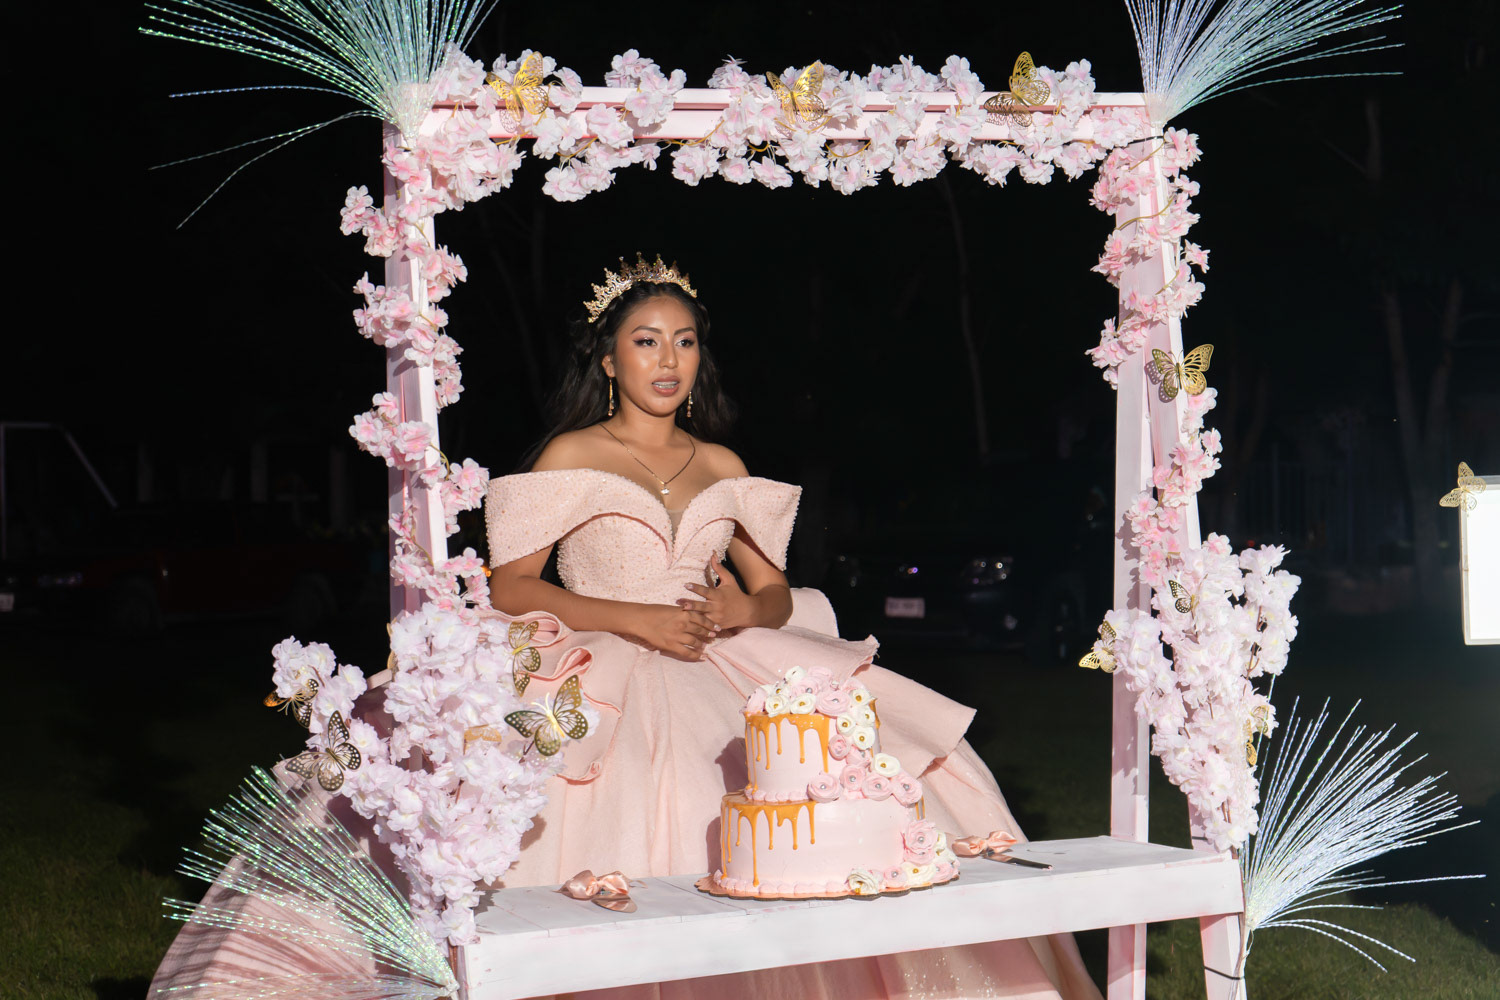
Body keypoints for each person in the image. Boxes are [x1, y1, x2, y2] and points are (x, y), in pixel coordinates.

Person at [481, 255, 1103, 999]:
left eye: (685, 341)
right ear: (609, 359)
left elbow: (773, 591)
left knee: (827, 797)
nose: (668, 359)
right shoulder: (572, 453)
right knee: (666, 795)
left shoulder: (721, 463)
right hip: (610, 660)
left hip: (724, 656)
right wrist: (636, 619)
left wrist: (744, 610)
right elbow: (511, 585)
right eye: (646, 341)